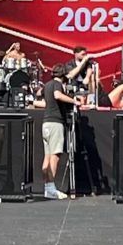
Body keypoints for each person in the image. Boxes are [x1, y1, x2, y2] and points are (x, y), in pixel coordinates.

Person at [36, 65, 78, 200]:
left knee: (47, 157)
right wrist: (74, 101)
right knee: (55, 156)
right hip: (55, 123)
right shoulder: (57, 84)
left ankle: (47, 188)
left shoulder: (47, 84)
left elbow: (39, 96)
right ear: (63, 75)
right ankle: (51, 189)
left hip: (46, 123)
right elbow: (57, 95)